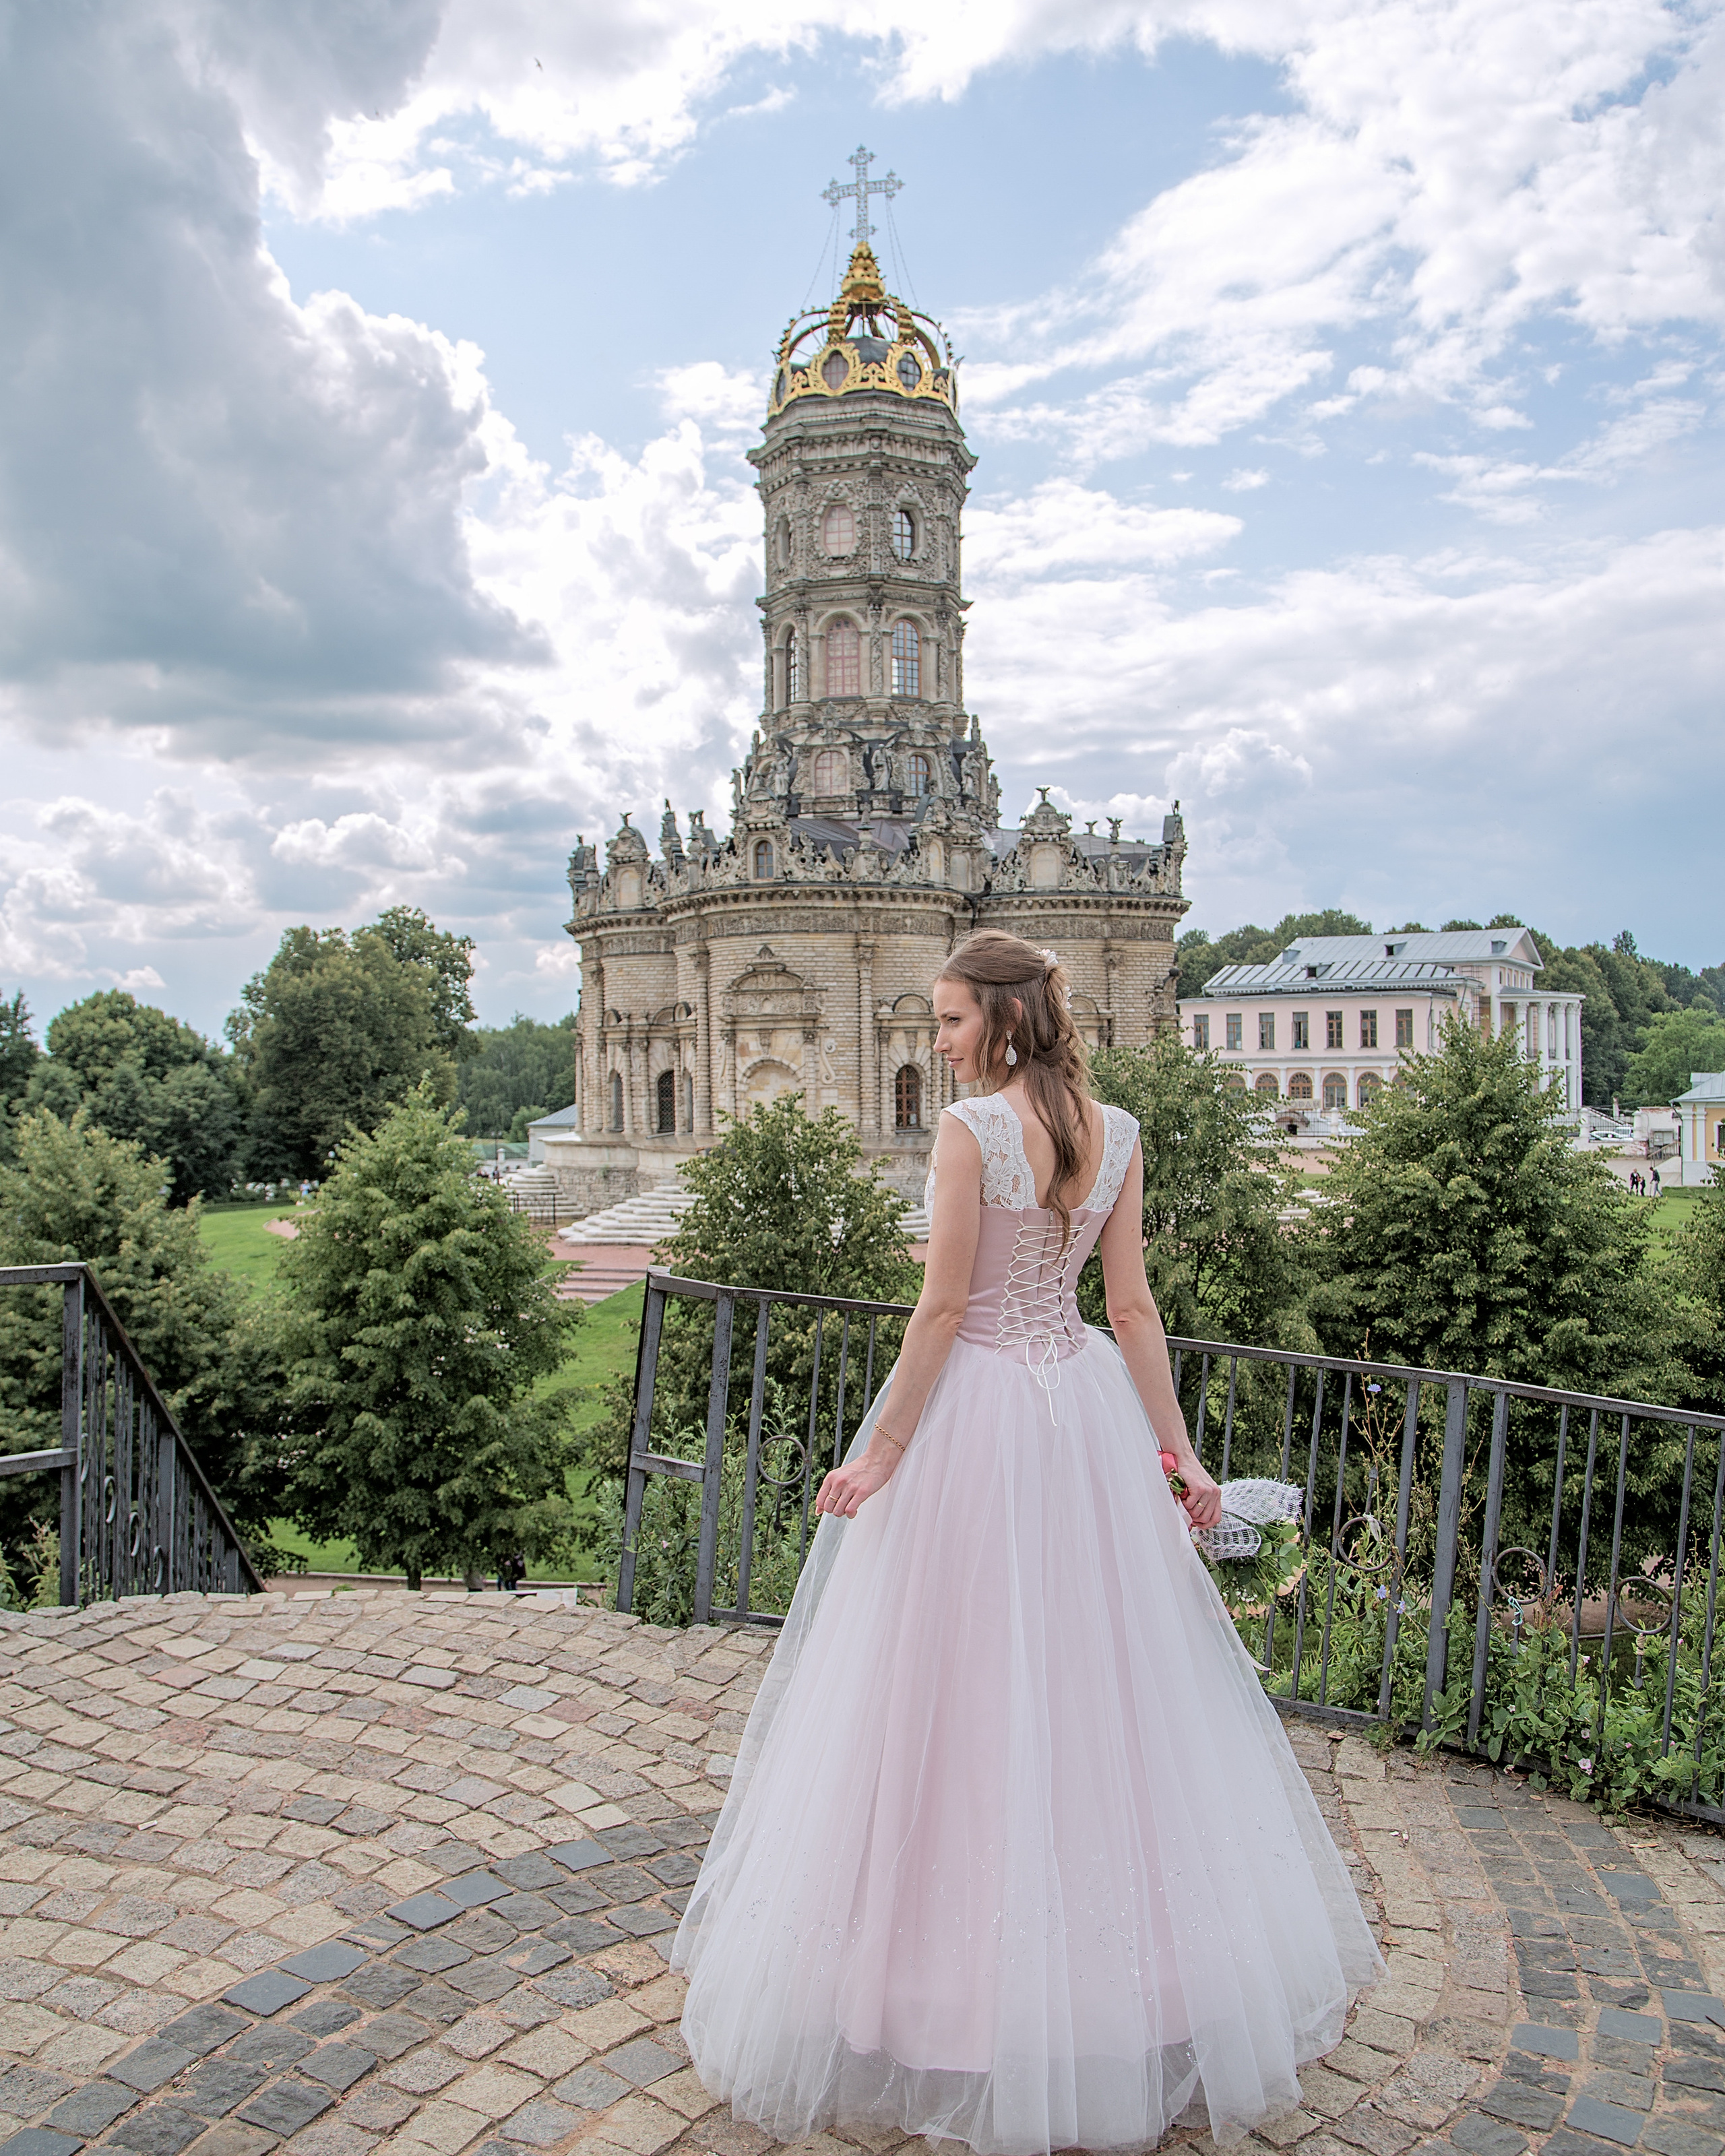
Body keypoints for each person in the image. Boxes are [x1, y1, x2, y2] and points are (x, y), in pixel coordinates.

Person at [673, 930, 1382, 2155]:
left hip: (987, 1419)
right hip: (1085, 1412)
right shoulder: (1119, 1132)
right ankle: (1133, 1980)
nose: (938, 1040)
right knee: (1099, 1685)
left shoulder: (970, 1133)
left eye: (950, 1021)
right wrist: (1180, 1456)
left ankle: (937, 1989)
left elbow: (943, 1308)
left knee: (950, 1685)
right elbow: (1132, 1306)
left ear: (1001, 1021)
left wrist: (883, 1452)